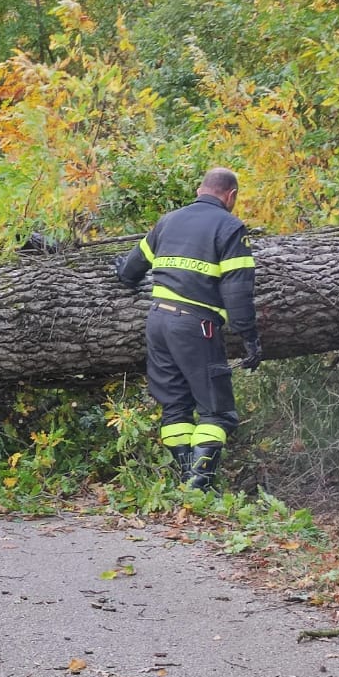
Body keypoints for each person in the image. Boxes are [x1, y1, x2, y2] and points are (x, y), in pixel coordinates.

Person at [115, 167, 260, 490]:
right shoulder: (231, 227)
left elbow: (130, 271)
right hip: (197, 326)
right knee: (216, 411)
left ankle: (184, 481)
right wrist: (249, 337)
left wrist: (120, 269)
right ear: (231, 195)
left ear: (200, 189)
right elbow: (238, 292)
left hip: (157, 322)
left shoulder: (168, 221)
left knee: (175, 406)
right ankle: (199, 484)